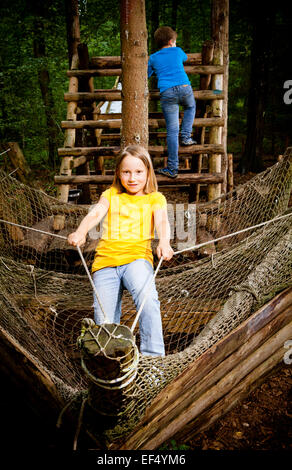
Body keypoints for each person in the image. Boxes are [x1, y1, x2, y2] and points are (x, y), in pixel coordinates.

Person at [68, 145, 174, 357]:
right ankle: (113, 363)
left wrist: (164, 241)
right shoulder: (111, 195)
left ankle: (153, 359)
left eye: (138, 172)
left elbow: (162, 220)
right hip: (105, 263)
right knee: (104, 320)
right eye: (126, 172)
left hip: (137, 259)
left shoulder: (154, 198)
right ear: (118, 173)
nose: (132, 178)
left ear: (148, 173)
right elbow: (95, 214)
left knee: (148, 300)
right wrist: (81, 231)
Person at [148, 26, 197, 179]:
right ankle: (186, 136)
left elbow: (147, 74)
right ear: (171, 41)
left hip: (167, 92)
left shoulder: (153, 57)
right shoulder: (178, 51)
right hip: (184, 87)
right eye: (174, 41)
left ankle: (172, 168)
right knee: (190, 106)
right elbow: (185, 59)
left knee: (171, 130)